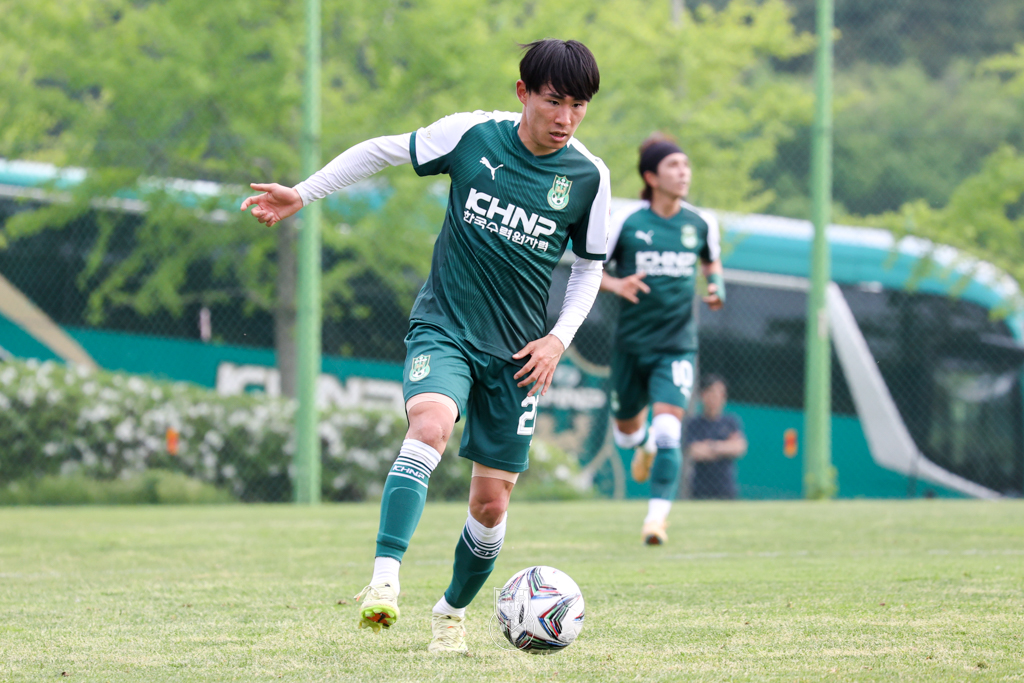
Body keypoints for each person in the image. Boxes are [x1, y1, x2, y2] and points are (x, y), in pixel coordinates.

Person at [240, 39, 609, 654]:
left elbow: (590, 268)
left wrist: (557, 339)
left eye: (578, 105)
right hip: (446, 327)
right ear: (523, 93)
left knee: (490, 506)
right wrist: (303, 192)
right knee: (430, 426)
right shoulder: (471, 136)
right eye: (554, 101)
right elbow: (380, 150)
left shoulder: (589, 176)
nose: (565, 118)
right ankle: (385, 578)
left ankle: (451, 611)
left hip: (518, 357)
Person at [600, 133, 724, 546]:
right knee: (626, 433)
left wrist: (717, 288)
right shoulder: (627, 222)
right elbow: (588, 270)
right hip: (631, 346)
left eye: (686, 165)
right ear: (651, 177)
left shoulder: (700, 223)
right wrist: (616, 285)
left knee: (670, 428)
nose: (683, 172)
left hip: (676, 346)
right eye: (673, 166)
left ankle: (655, 520)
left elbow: (711, 263)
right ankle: (643, 444)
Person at [685, 374, 747, 499]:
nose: (718, 397)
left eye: (721, 393)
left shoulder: (731, 422)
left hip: (726, 488)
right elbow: (695, 452)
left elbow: (739, 448)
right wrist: (725, 447)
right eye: (713, 392)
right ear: (703, 395)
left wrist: (711, 446)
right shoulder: (693, 423)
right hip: (700, 490)